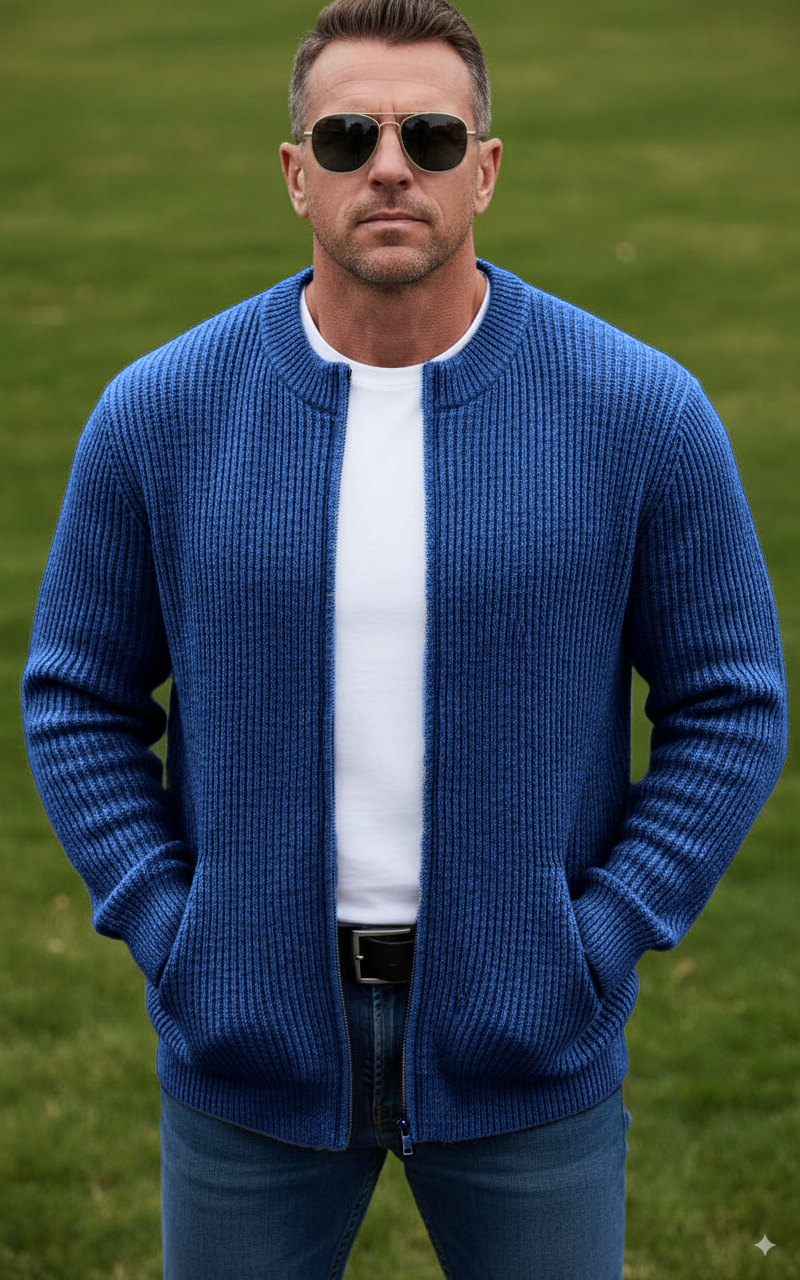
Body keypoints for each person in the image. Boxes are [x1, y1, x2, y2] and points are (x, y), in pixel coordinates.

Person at [21, 0, 787, 1276]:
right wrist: (170, 926)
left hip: (528, 1050)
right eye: (347, 138)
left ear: (483, 168)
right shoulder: (160, 411)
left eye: (429, 137)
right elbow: (76, 697)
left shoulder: (637, 409)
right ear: (294, 174)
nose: (388, 166)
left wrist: (598, 936)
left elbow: (730, 701)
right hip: (246, 1049)